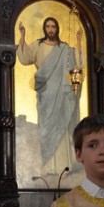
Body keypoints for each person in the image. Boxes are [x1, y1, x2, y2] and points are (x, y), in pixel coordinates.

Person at [17, 16, 84, 176]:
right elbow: (25, 58)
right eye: (48, 26)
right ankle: (47, 166)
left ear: (57, 29)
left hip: (60, 96)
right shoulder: (38, 46)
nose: (50, 30)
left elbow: (78, 63)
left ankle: (63, 166)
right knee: (46, 129)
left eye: (53, 27)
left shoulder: (64, 48)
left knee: (60, 127)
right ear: (44, 29)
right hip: (45, 95)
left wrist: (78, 40)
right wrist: (22, 36)